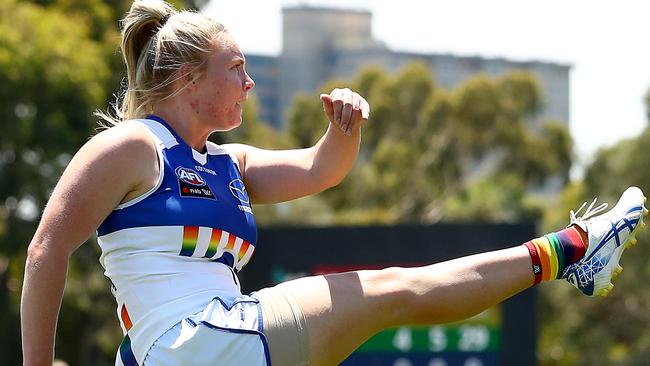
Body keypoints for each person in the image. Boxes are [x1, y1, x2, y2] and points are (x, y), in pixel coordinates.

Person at [20, 1, 647, 366]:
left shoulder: (225, 163)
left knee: (394, 290)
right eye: (235, 68)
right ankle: (573, 250)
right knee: (392, 289)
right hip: (193, 344)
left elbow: (323, 170)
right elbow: (46, 251)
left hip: (215, 340)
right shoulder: (131, 145)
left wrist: (344, 128)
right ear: (186, 78)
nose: (249, 81)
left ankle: (572, 252)